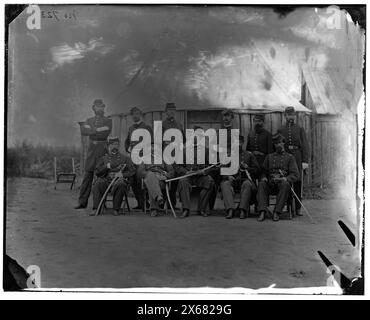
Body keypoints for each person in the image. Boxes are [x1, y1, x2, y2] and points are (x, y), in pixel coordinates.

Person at [75, 99, 112, 209]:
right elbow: (84, 132)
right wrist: (97, 130)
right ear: (93, 108)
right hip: (91, 151)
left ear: (103, 108)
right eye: (97, 106)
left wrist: (92, 130)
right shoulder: (89, 120)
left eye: (101, 107)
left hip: (102, 149)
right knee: (87, 176)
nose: (99, 108)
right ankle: (82, 202)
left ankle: (100, 203)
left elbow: (106, 132)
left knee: (102, 176)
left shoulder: (108, 120)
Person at [256, 133, 299, 222]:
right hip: (271, 183)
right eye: (276, 143)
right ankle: (262, 211)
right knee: (261, 184)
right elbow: (263, 171)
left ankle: (277, 212)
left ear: (283, 143)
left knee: (285, 184)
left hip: (282, 184)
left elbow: (295, 174)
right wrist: (264, 177)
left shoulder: (290, 157)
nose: (278, 145)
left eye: (280, 142)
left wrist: (286, 178)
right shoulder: (269, 157)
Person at [176, 127, 215, 218]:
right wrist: (186, 172)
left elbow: (212, 166)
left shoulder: (206, 150)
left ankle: (202, 208)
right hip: (188, 176)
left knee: (210, 182)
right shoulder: (184, 150)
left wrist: (204, 171)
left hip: (201, 176)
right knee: (182, 181)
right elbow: (178, 166)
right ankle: (186, 209)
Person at [91, 137, 135, 216]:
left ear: (119, 146)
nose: (115, 146)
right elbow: (97, 172)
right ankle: (95, 208)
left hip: (118, 181)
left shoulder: (125, 158)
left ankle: (116, 209)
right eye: (112, 144)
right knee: (97, 184)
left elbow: (132, 171)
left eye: (116, 144)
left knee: (121, 184)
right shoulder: (104, 158)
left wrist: (122, 175)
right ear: (109, 146)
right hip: (106, 181)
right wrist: (106, 167)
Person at [278, 106, 309, 216]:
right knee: (287, 181)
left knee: (297, 182)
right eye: (289, 115)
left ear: (294, 116)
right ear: (285, 116)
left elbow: (304, 146)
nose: (291, 117)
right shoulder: (281, 130)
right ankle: (288, 206)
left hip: (297, 156)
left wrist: (305, 161)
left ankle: (298, 208)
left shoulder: (300, 129)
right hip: (286, 157)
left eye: (292, 115)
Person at [220, 135, 260, 219]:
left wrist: (248, 167)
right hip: (233, 180)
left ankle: (243, 210)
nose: (237, 144)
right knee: (225, 184)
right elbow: (222, 169)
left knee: (247, 184)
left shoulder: (249, 155)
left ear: (242, 143)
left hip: (245, 179)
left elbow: (257, 170)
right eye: (235, 142)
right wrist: (228, 176)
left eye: (239, 142)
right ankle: (230, 209)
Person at [124, 107, 153, 210]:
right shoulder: (131, 128)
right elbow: (127, 141)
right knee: (132, 180)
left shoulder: (147, 127)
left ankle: (147, 203)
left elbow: (152, 143)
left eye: (137, 113)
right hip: (133, 157)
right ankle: (140, 203)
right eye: (133, 114)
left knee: (141, 179)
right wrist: (128, 149)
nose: (135, 116)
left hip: (143, 157)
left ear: (141, 114)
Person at [138, 144, 175, 217]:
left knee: (151, 183)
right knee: (151, 177)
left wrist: (166, 175)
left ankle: (154, 209)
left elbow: (172, 172)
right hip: (149, 177)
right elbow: (140, 172)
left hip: (161, 180)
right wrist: (150, 174)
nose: (155, 150)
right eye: (152, 148)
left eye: (156, 149)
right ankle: (158, 197)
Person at [161, 102, 183, 209]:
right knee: (166, 177)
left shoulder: (179, 125)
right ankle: (163, 201)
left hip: (177, 155)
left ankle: (172, 204)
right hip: (166, 155)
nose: (171, 112)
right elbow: (158, 142)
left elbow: (183, 140)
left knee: (176, 178)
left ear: (175, 111)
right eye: (169, 110)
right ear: (166, 112)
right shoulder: (162, 125)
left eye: (173, 110)